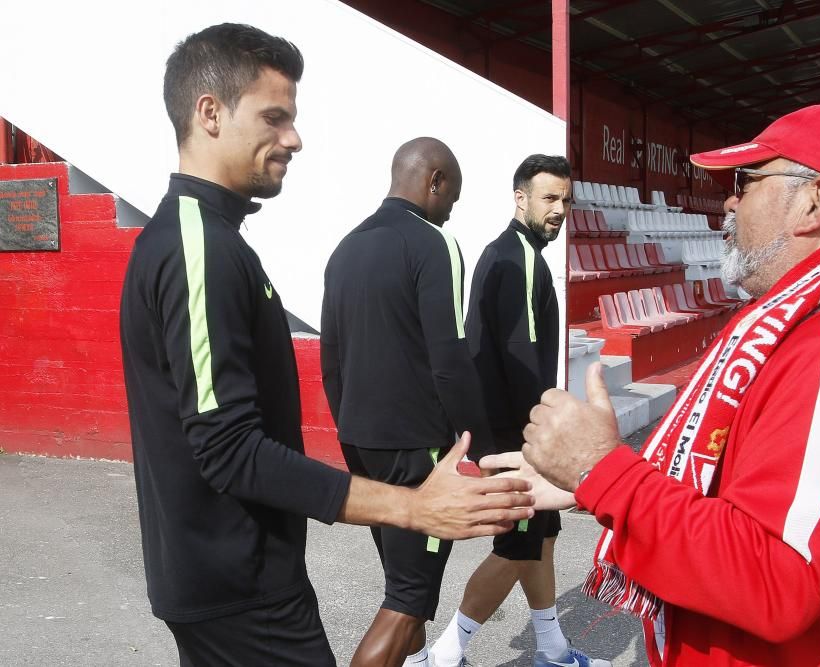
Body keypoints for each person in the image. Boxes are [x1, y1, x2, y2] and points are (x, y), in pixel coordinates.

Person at [482, 102, 820, 666]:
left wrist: (607, 474)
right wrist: (586, 482)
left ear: (814, 199)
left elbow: (776, 576)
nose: (729, 201)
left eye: (747, 181)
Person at [119, 24, 533, 667]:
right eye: (275, 117)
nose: (294, 138)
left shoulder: (226, 240)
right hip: (238, 588)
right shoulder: (196, 246)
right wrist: (416, 507)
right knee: (407, 599)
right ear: (209, 113)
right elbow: (227, 448)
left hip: (235, 574)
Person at [321, 137, 498, 667]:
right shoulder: (432, 243)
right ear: (435, 180)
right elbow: (450, 357)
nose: (451, 210)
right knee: (408, 599)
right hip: (416, 449)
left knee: (405, 587)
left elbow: (331, 358)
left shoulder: (346, 246)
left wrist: (348, 426)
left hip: (360, 440)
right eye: (453, 197)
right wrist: (478, 446)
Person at [430, 155, 609, 667]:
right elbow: (524, 361)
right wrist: (546, 448)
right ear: (520, 198)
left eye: (566, 201)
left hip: (507, 432)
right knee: (516, 550)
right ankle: (446, 655)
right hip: (516, 439)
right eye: (549, 198)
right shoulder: (521, 257)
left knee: (540, 540)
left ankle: (551, 651)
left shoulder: (505, 253)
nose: (559, 210)